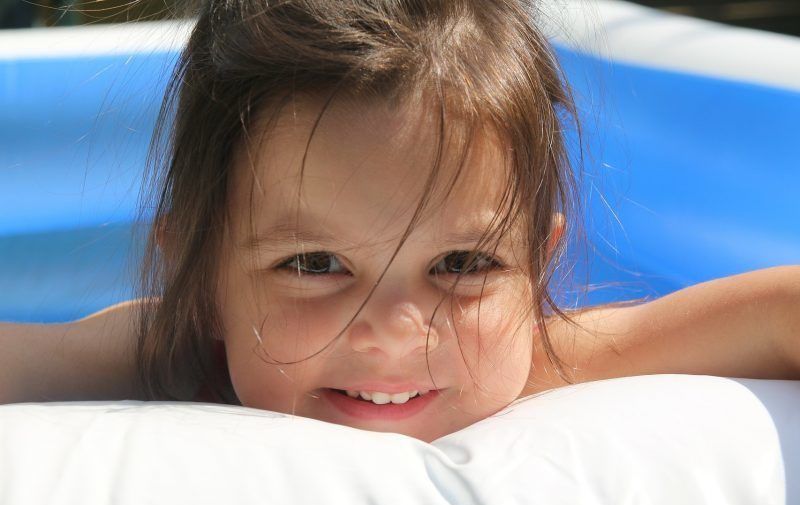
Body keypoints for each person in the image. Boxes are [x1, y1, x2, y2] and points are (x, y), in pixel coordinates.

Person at [0, 0, 798, 443]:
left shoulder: (541, 361)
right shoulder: (167, 356)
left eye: (464, 263)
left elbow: (778, 313)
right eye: (314, 263)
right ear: (201, 279)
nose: (397, 334)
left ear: (540, 266)